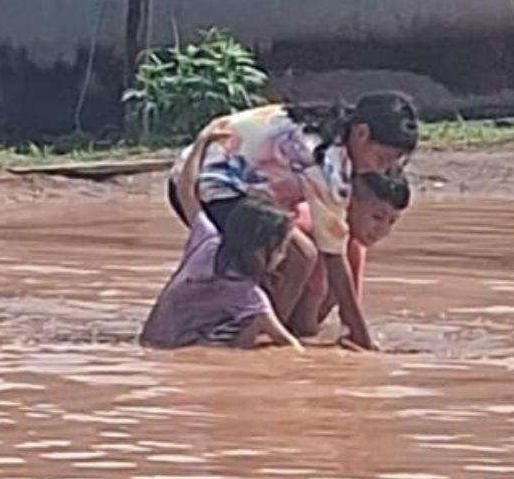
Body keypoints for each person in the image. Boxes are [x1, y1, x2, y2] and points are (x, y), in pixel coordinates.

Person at [164, 92, 419, 351]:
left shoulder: (324, 125)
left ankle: (255, 328)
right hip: (211, 185)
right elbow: (332, 254)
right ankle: (267, 340)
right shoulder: (324, 159)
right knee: (300, 255)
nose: (381, 170)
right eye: (382, 159)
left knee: (280, 257)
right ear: (362, 134)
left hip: (214, 180)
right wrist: (360, 335)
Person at [140, 119, 304, 351]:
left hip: (152, 337)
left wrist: (202, 142)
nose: (284, 256)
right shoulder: (247, 294)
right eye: (280, 249)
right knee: (253, 325)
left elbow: (185, 190)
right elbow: (291, 345)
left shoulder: (207, 239)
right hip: (184, 346)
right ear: (259, 250)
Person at [285, 169, 411, 340]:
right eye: (377, 217)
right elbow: (305, 326)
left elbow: (351, 307)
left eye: (392, 221)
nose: (383, 230)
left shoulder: (355, 246)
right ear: (349, 202)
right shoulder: (316, 226)